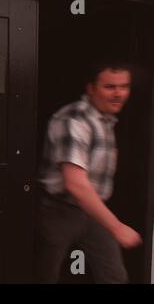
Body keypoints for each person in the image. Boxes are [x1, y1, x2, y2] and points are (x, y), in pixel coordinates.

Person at [36, 60, 142, 283]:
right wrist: (117, 227)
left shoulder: (104, 119)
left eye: (124, 87)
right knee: (45, 276)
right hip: (59, 211)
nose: (118, 94)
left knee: (114, 276)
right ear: (91, 89)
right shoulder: (74, 119)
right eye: (110, 87)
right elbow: (76, 184)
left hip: (93, 211)